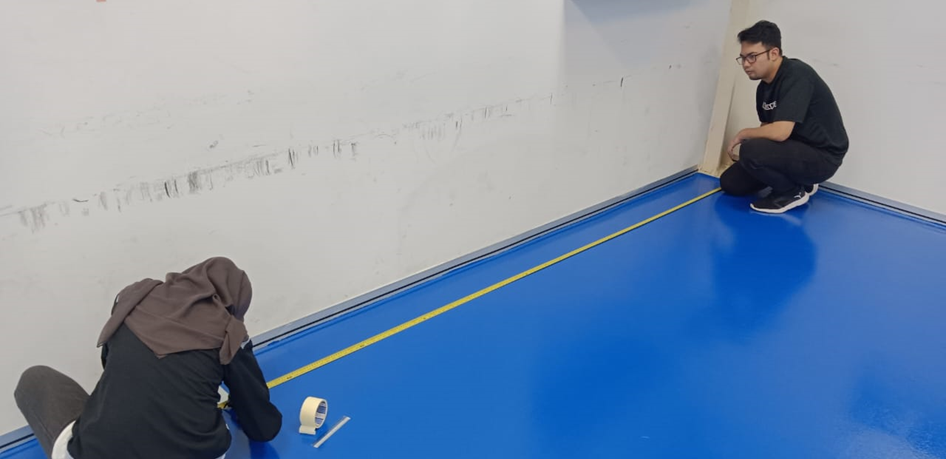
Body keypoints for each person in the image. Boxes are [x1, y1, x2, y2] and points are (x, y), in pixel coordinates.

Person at [14, 257, 282, 459]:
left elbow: (110, 362)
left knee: (35, 379)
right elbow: (263, 427)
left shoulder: (134, 298)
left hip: (96, 451)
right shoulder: (229, 332)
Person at [720, 20, 849, 214]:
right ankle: (798, 181)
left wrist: (743, 134)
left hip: (823, 157)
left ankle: (791, 193)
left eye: (752, 57)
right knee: (731, 183)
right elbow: (767, 129)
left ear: (773, 53)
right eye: (743, 58)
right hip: (793, 150)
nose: (746, 64)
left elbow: (780, 133)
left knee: (751, 149)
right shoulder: (763, 88)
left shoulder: (797, 75)